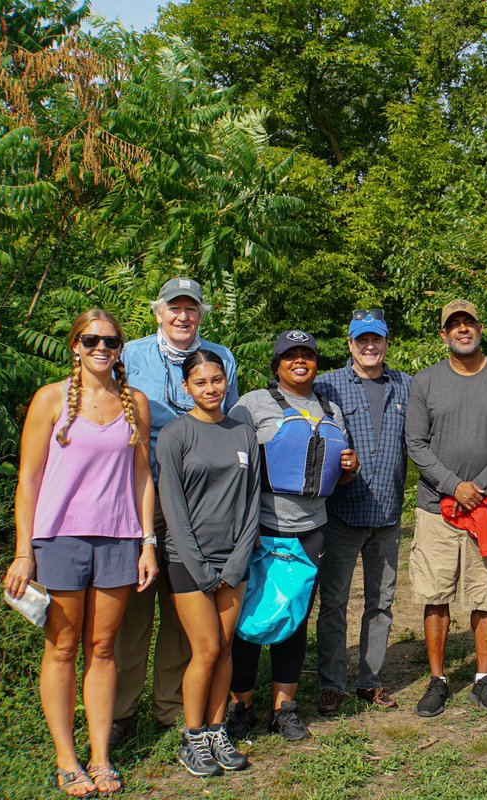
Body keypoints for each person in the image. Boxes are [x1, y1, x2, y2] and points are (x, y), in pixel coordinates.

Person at [4, 309, 157, 797]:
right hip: (58, 540)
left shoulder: (135, 402)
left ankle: (100, 756)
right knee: (63, 647)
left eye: (110, 342)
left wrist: (147, 542)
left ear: (120, 349)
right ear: (74, 345)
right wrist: (23, 552)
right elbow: (28, 479)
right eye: (91, 340)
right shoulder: (50, 400)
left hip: (118, 539)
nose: (100, 349)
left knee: (104, 649)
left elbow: (142, 477)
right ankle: (66, 759)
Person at [112, 277, 239, 744]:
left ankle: (170, 705)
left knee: (185, 609)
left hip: (201, 496)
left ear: (202, 313)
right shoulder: (132, 354)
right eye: (174, 308)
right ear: (158, 311)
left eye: (191, 308)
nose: (183, 316)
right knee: (135, 604)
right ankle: (122, 709)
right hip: (144, 492)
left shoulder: (220, 357)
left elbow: (229, 420)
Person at [226, 330, 359, 741]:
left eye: (307, 355)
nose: (299, 361)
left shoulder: (330, 407)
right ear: (277, 363)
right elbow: (231, 459)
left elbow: (334, 474)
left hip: (311, 531)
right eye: (290, 355)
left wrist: (348, 470)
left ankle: (284, 707)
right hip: (260, 529)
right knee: (246, 621)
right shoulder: (252, 404)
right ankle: (240, 705)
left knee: (295, 617)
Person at [404, 299, 487, 717]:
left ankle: (483, 680)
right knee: (436, 593)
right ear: (443, 334)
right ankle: (437, 680)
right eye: (453, 325)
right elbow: (416, 444)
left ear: (480, 328)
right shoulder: (425, 382)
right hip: (436, 508)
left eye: (468, 322)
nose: (462, 330)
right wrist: (454, 486)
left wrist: (480, 487)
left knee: (485, 595)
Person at [157, 349, 260, 776]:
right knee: (205, 649)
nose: (210, 389)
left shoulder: (243, 432)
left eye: (216, 380)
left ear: (226, 381)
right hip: (187, 560)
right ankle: (193, 735)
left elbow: (254, 497)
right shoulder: (176, 435)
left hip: (233, 559)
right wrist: (200, 568)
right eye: (200, 382)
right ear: (187, 388)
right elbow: (173, 508)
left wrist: (238, 559)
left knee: (225, 649)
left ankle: (218, 730)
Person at [313, 310, 412, 714]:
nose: (369, 347)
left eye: (377, 339)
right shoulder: (327, 385)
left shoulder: (407, 385)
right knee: (334, 602)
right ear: (350, 344)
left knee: (381, 602)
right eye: (361, 340)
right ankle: (332, 682)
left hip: (388, 515)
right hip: (342, 514)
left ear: (387, 342)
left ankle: (369, 681)